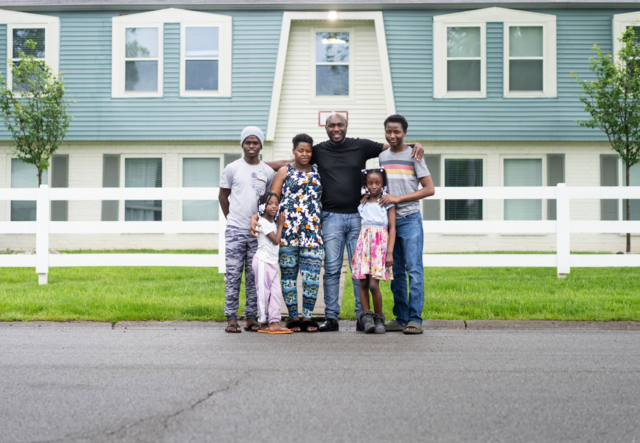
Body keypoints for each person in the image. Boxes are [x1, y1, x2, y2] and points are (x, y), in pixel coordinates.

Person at [252, 113, 424, 332]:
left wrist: (415, 144)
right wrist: (256, 164)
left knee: (359, 270)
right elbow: (290, 162)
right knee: (332, 269)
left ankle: (363, 316)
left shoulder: (361, 146)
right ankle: (331, 317)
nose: (336, 129)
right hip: (330, 218)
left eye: (339, 125)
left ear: (346, 125)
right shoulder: (319, 151)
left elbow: (393, 143)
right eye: (331, 125)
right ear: (325, 127)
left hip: (357, 217)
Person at [378, 115, 435, 335]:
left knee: (414, 271)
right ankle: (401, 318)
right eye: (389, 131)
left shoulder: (414, 156)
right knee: (397, 272)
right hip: (389, 222)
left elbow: (429, 189)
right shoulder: (383, 157)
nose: (392, 136)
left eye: (397, 132)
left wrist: (398, 199)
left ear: (405, 133)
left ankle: (414, 318)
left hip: (410, 219)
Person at [219, 126, 275, 333]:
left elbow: (270, 201)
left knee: (254, 276)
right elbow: (222, 196)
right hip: (235, 230)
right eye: (248, 142)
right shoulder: (232, 168)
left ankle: (251, 317)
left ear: (260, 145)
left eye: (255, 142)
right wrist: (231, 219)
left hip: (258, 233)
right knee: (233, 275)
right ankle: (231, 318)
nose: (251, 146)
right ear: (242, 144)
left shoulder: (267, 172)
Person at [269, 134, 323, 332]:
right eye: (301, 150)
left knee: (311, 277)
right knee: (288, 276)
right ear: (293, 151)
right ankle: (293, 318)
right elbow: (273, 199)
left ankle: (308, 318)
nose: (305, 154)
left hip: (313, 233)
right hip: (288, 233)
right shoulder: (284, 171)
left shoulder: (319, 171)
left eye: (308, 151)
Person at [352, 168, 396, 334]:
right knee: (362, 282)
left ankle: (379, 318)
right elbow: (362, 229)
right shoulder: (362, 204)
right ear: (366, 184)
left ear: (383, 184)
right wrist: (357, 253)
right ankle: (366, 318)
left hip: (379, 247)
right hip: (364, 247)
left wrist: (390, 252)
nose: (374, 186)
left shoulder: (387, 203)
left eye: (377, 183)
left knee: (372, 284)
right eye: (370, 183)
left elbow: (392, 228)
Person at [253, 192, 292, 334]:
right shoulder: (263, 222)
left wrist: (278, 224)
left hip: (273, 263)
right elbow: (276, 240)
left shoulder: (271, 222)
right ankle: (263, 322)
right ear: (263, 206)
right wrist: (280, 225)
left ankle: (274, 322)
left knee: (275, 292)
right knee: (264, 293)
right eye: (270, 203)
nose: (274, 206)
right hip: (263, 262)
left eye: (276, 203)